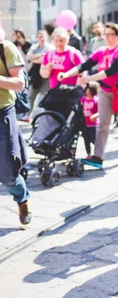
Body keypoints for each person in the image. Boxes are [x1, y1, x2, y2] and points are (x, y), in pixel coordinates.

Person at [57, 22, 118, 168]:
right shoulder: (101, 51)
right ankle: (98, 157)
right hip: (105, 90)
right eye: (106, 34)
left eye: (111, 34)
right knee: (102, 125)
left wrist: (89, 79)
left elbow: (112, 70)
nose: (108, 37)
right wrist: (66, 74)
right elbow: (85, 65)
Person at [0, 28, 32, 225]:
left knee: (7, 173)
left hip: (2, 113)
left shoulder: (7, 48)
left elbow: (20, 84)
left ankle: (22, 197)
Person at [26, 30, 52, 118]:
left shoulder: (50, 47)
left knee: (44, 95)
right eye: (40, 37)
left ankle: (42, 116)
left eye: (43, 36)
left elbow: (45, 60)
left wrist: (34, 59)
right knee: (31, 95)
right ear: (37, 38)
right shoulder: (34, 47)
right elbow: (28, 56)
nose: (42, 39)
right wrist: (40, 55)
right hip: (36, 75)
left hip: (46, 75)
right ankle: (28, 115)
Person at [81, 81, 99, 159]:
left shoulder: (96, 100)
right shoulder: (83, 99)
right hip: (85, 123)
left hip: (93, 124)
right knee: (86, 139)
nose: (87, 90)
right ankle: (88, 153)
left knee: (93, 139)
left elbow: (100, 111)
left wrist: (95, 116)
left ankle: (98, 152)